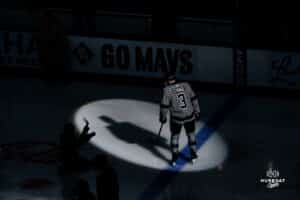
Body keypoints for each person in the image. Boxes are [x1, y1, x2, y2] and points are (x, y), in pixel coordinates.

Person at [159, 73, 200, 166]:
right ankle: (193, 155)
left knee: (175, 136)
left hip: (177, 118)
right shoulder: (186, 85)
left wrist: (163, 117)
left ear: (167, 82)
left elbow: (164, 106)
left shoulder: (167, 90)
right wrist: (197, 110)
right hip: (189, 115)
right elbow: (194, 98)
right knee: (191, 134)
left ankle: (174, 157)